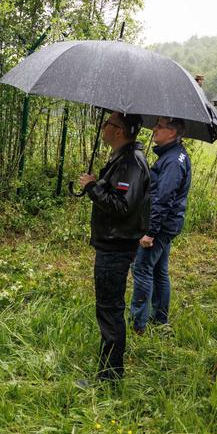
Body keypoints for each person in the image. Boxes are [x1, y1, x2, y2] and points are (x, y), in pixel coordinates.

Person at [78, 111, 151, 382]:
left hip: (116, 244)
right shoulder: (123, 158)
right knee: (108, 308)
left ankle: (109, 376)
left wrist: (92, 188)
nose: (103, 127)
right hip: (112, 241)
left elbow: (121, 206)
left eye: (107, 123)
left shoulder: (131, 162)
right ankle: (109, 369)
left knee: (110, 310)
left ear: (119, 130)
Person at [130, 117, 191, 334]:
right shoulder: (175, 155)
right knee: (159, 271)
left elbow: (163, 198)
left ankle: (138, 324)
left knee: (142, 268)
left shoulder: (173, 161)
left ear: (173, 132)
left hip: (161, 227)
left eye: (160, 126)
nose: (154, 128)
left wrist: (150, 232)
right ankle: (160, 320)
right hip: (169, 224)